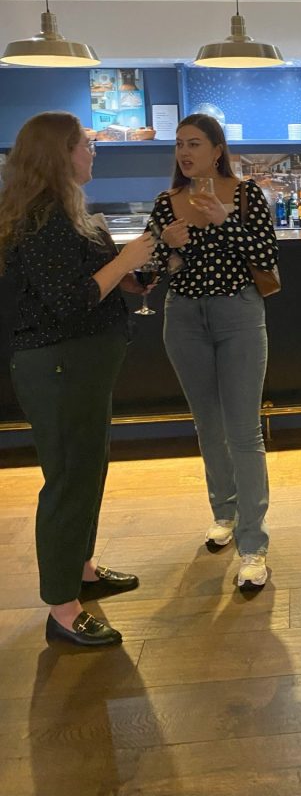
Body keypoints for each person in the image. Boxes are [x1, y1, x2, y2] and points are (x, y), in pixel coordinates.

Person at [0, 111, 156, 647]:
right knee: (69, 478)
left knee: (88, 466)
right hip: (59, 364)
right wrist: (128, 258)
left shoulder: (68, 212)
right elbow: (70, 303)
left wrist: (133, 274)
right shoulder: (42, 218)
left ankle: (81, 569)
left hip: (83, 365)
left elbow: (94, 285)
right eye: (87, 144)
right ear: (59, 153)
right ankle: (62, 608)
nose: (93, 153)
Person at [149, 113, 279, 591]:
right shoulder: (167, 203)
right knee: (207, 423)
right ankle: (224, 512)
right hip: (183, 317)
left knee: (244, 431)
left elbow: (267, 256)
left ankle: (253, 543)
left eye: (195, 144)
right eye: (180, 144)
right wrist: (165, 245)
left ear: (217, 150)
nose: (185, 153)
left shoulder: (245, 196)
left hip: (238, 315)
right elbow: (154, 268)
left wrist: (223, 223)